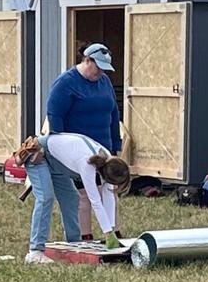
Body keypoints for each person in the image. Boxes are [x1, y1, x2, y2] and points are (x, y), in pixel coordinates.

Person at [45, 43, 123, 237]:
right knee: (85, 194)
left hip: (103, 147)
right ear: (87, 60)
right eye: (99, 67)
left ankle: (114, 232)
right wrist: (61, 150)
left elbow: (114, 113)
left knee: (110, 189)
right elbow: (55, 116)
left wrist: (116, 145)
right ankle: (85, 236)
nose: (101, 73)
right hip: (78, 151)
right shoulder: (65, 83)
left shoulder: (104, 82)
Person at [20, 132, 131, 264]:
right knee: (46, 198)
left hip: (57, 163)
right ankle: (35, 251)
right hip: (38, 155)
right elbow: (95, 202)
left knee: (72, 198)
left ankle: (73, 244)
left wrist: (112, 229)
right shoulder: (87, 164)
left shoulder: (108, 161)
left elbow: (108, 196)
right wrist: (107, 232)